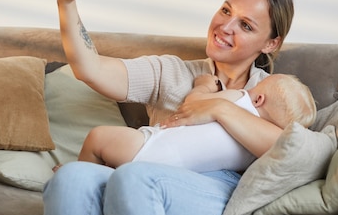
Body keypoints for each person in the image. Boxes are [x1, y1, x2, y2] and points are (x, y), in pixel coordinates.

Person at [43, 0, 296, 215]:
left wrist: (217, 106)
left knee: (134, 178)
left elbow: (292, 150)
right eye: (226, 11)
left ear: (271, 43)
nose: (225, 27)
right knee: (69, 178)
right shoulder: (172, 72)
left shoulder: (270, 94)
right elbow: (90, 69)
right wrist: (66, 0)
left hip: (215, 188)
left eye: (245, 25)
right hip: (142, 177)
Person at [77, 73, 316, 172]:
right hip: (175, 171)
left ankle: (81, 172)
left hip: (149, 147)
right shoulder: (257, 151)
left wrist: (204, 85)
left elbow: (193, 104)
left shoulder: (241, 99)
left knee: (97, 137)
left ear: (259, 97)